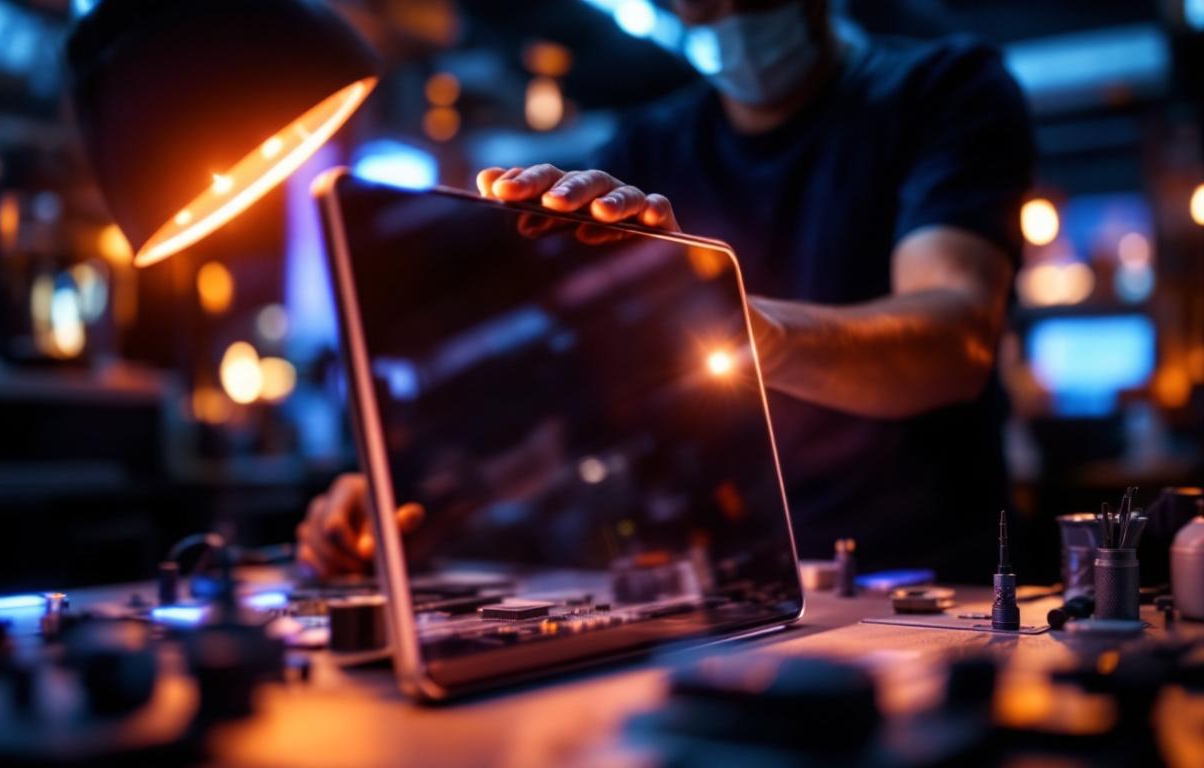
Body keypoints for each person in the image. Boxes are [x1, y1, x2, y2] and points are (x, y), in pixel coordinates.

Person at [297, 0, 1033, 581]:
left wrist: (748, 330)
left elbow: (953, 337)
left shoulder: (944, 90)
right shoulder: (648, 149)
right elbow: (562, 370)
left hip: (938, 575)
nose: (729, 11)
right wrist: (412, 483)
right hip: (738, 583)